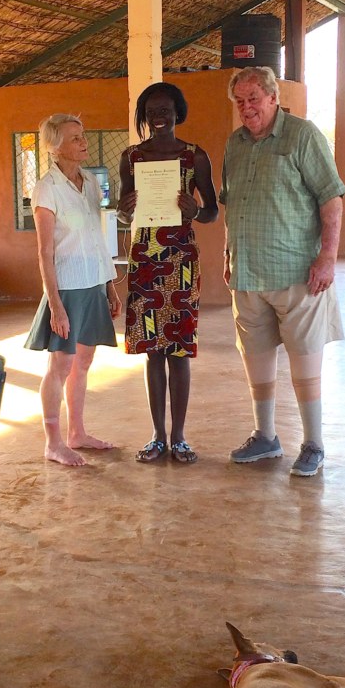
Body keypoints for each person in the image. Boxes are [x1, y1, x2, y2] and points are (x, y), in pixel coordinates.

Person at [220, 66, 345, 476]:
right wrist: (227, 254)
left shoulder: (302, 136)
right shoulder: (234, 144)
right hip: (248, 274)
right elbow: (232, 205)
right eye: (239, 101)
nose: (246, 107)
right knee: (256, 360)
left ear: (273, 97)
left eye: (253, 98)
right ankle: (265, 436)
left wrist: (327, 257)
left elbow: (331, 201)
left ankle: (313, 443)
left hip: (298, 274)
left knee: (305, 363)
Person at [117, 82, 218, 464]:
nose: (159, 116)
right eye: (152, 111)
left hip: (181, 263)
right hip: (145, 260)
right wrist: (125, 209)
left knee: (178, 351)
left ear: (178, 112)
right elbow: (125, 213)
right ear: (144, 116)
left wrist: (195, 211)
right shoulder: (132, 157)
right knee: (152, 353)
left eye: (166, 109)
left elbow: (211, 211)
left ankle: (180, 437)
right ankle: (157, 436)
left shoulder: (195, 157)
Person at [25, 114, 122, 467]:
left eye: (82, 136)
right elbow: (45, 251)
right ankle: (53, 442)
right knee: (60, 365)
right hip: (66, 288)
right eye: (75, 138)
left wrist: (109, 286)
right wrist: (56, 306)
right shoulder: (46, 188)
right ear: (55, 147)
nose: (83, 142)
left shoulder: (92, 183)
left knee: (84, 361)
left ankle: (76, 432)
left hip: (93, 282)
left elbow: (97, 240)